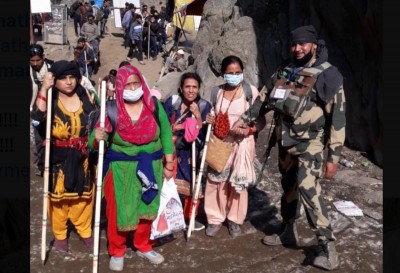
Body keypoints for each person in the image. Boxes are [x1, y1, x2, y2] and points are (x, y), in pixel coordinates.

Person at [233, 25, 346, 271]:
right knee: (289, 187)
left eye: (302, 44)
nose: (297, 49)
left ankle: (327, 246)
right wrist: (243, 120)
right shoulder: (285, 71)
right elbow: (263, 99)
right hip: (285, 142)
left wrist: (333, 156)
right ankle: (287, 230)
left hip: (311, 145)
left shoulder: (329, 75)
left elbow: (338, 119)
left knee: (309, 189)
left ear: (314, 45)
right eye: (294, 44)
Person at [88, 65, 174, 271]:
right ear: (119, 87)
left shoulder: (153, 104)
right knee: (118, 211)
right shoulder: (110, 109)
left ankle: (143, 245)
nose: (133, 88)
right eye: (128, 85)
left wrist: (169, 162)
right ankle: (117, 250)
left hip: (151, 165)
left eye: (136, 83)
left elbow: (166, 134)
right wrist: (96, 137)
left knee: (147, 207)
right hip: (120, 168)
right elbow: (94, 139)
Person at [31, 60, 98, 252]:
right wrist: (44, 87)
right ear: (55, 79)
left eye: (72, 78)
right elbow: (36, 119)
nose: (68, 82)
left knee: (83, 197)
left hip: (82, 157)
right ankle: (60, 234)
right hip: (57, 157)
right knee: (57, 199)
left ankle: (84, 230)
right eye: (63, 78)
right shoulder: (50, 98)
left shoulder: (85, 97)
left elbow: (95, 121)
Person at [204, 55, 266, 238]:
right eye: (230, 73)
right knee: (216, 182)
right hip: (220, 143)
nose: (234, 75)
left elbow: (261, 120)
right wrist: (210, 120)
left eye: (238, 72)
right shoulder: (217, 92)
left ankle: (234, 220)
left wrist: (250, 130)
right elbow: (213, 114)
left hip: (243, 145)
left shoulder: (250, 92)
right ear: (223, 74)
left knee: (239, 184)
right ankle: (215, 219)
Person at [163, 72, 213, 231]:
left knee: (193, 185)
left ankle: (190, 216)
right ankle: (170, 215)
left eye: (194, 87)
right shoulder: (172, 102)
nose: (191, 90)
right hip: (173, 150)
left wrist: (198, 116)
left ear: (199, 89)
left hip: (192, 151)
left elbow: (204, 134)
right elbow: (163, 124)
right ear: (181, 88)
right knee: (169, 184)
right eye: (187, 87)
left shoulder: (204, 106)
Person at [30, 44, 54, 176]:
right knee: (39, 140)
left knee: (51, 137)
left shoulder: (52, 68)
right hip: (35, 112)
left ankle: (51, 163)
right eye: (32, 61)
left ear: (43, 57)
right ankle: (42, 165)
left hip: (51, 110)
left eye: (37, 60)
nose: (35, 63)